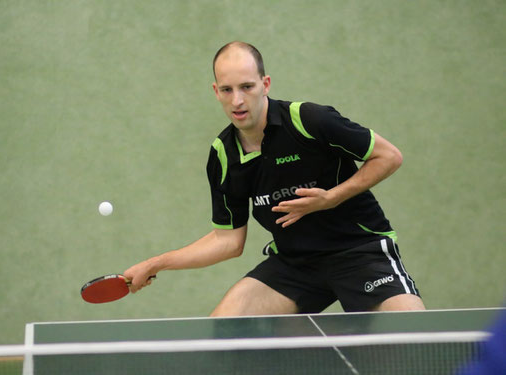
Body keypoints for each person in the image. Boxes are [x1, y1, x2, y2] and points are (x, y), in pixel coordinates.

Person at [124, 41, 425, 315]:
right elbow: (228, 241)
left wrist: (331, 198)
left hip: (359, 253)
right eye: (227, 90)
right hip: (295, 264)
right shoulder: (224, 155)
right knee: (225, 329)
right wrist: (155, 263)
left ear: (265, 84)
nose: (237, 100)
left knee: (410, 337)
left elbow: (389, 156)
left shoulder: (308, 120)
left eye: (247, 87)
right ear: (216, 91)